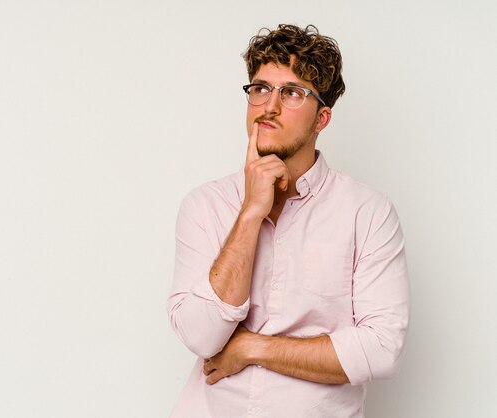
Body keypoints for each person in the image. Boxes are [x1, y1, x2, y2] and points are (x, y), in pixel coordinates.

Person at [166, 24, 410, 418]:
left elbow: (383, 349)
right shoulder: (205, 205)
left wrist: (252, 348)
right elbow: (200, 336)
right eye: (260, 89)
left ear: (322, 119)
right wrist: (250, 213)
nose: (269, 106)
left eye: (292, 92)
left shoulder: (367, 212)